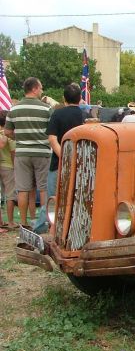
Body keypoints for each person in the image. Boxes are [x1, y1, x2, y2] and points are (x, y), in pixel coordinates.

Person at [32, 83, 85, 234]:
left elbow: (52, 139)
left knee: (52, 198)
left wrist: (64, 157)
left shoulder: (58, 114)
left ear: (64, 98)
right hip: (81, 164)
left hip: (58, 164)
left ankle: (40, 227)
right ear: (80, 98)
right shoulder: (85, 116)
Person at [4, 77, 52, 230]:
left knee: (23, 189)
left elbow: (7, 132)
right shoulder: (46, 109)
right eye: (41, 87)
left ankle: (24, 222)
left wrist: (19, 137)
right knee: (43, 188)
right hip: (42, 152)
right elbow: (51, 131)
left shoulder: (14, 109)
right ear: (34, 89)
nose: (42, 90)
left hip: (22, 152)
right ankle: (44, 221)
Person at [0, 110, 17, 230]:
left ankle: (1, 221)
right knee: (10, 194)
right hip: (8, 166)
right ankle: (10, 221)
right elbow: (13, 152)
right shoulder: (8, 135)